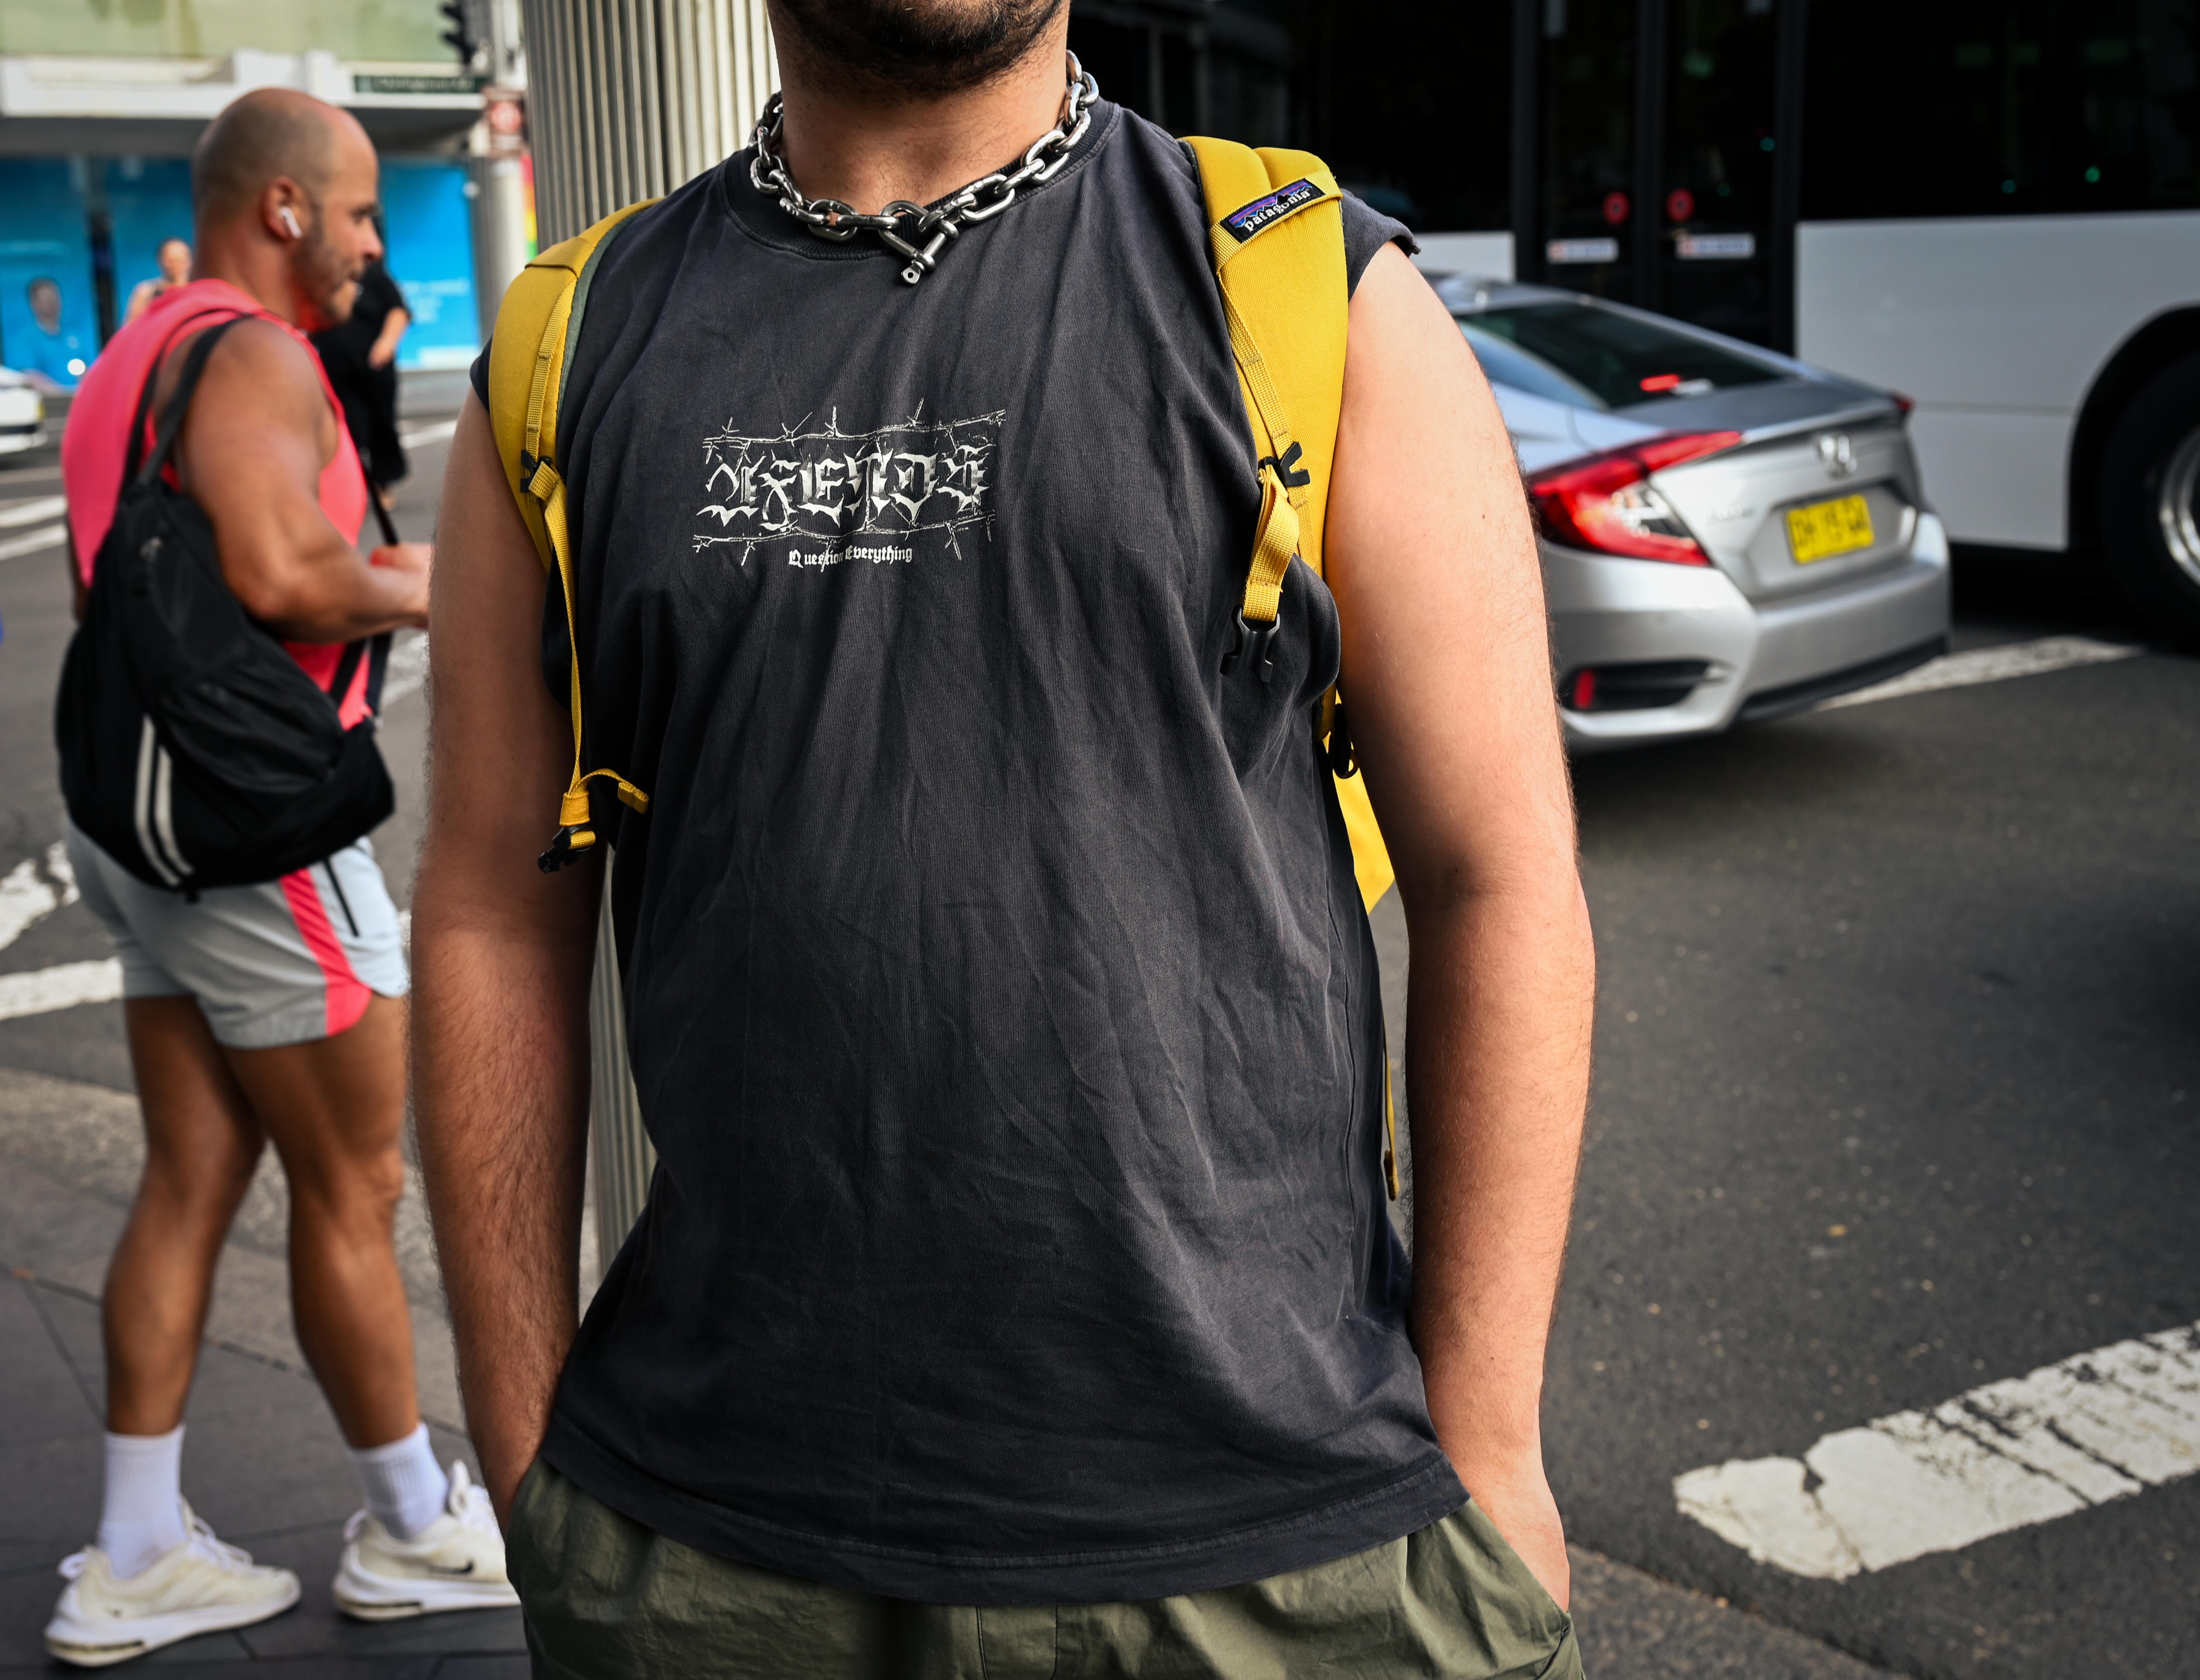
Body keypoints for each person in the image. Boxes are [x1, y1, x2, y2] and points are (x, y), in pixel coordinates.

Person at [413, 2, 1595, 1676]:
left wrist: (1490, 1447)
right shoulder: (571, 343)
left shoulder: (1312, 288)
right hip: (708, 1566)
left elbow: (1504, 876)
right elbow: (486, 909)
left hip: (1293, 1558)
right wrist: (527, 1443)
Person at [44, 88, 513, 1665]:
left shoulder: (134, 352)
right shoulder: (249, 349)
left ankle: (131, 1548)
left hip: (143, 825)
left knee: (192, 1174)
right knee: (351, 1185)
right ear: (290, 208)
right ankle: (410, 1525)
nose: (379, 246)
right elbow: (280, 573)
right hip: (257, 836)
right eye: (366, 213)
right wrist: (453, 586)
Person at [311, 252, 410, 502]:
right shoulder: (322, 280)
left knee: (381, 425)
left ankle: (383, 483)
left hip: (374, 367)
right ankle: (348, 488)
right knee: (350, 428)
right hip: (336, 370)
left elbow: (398, 311)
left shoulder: (375, 277)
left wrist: (387, 342)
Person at [123, 235, 193, 322]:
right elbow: (131, 327)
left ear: (190, 261)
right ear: (160, 260)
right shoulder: (146, 291)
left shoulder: (197, 290)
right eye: (171, 260)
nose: (175, 265)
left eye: (180, 260)